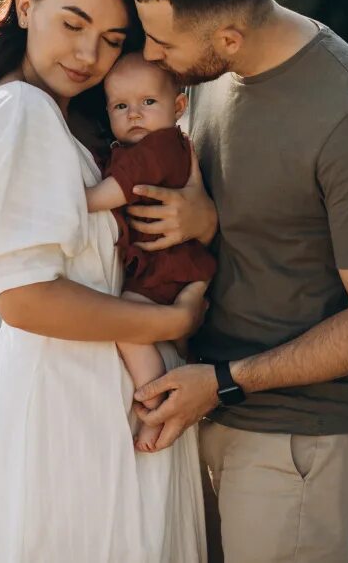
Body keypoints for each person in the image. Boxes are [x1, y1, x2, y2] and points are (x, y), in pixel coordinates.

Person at [125, 0, 348, 562]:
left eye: (163, 44)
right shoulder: (209, 77)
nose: (151, 58)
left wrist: (227, 380)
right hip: (205, 414)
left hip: (300, 443)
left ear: (229, 37)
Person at [0, 0, 208, 562]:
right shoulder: (21, 113)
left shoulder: (66, 118)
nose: (89, 53)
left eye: (113, 40)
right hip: (65, 402)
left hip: (97, 392)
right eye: (73, 23)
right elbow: (25, 299)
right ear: (23, 6)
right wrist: (169, 319)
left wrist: (197, 218)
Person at [85, 51, 217, 453]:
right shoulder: (157, 145)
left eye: (148, 102)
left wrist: (74, 199)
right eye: (121, 106)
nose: (135, 115)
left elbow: (110, 193)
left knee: (128, 323)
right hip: (184, 264)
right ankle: (181, 337)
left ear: (179, 106)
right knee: (173, 328)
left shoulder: (158, 148)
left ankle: (154, 400)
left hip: (167, 267)